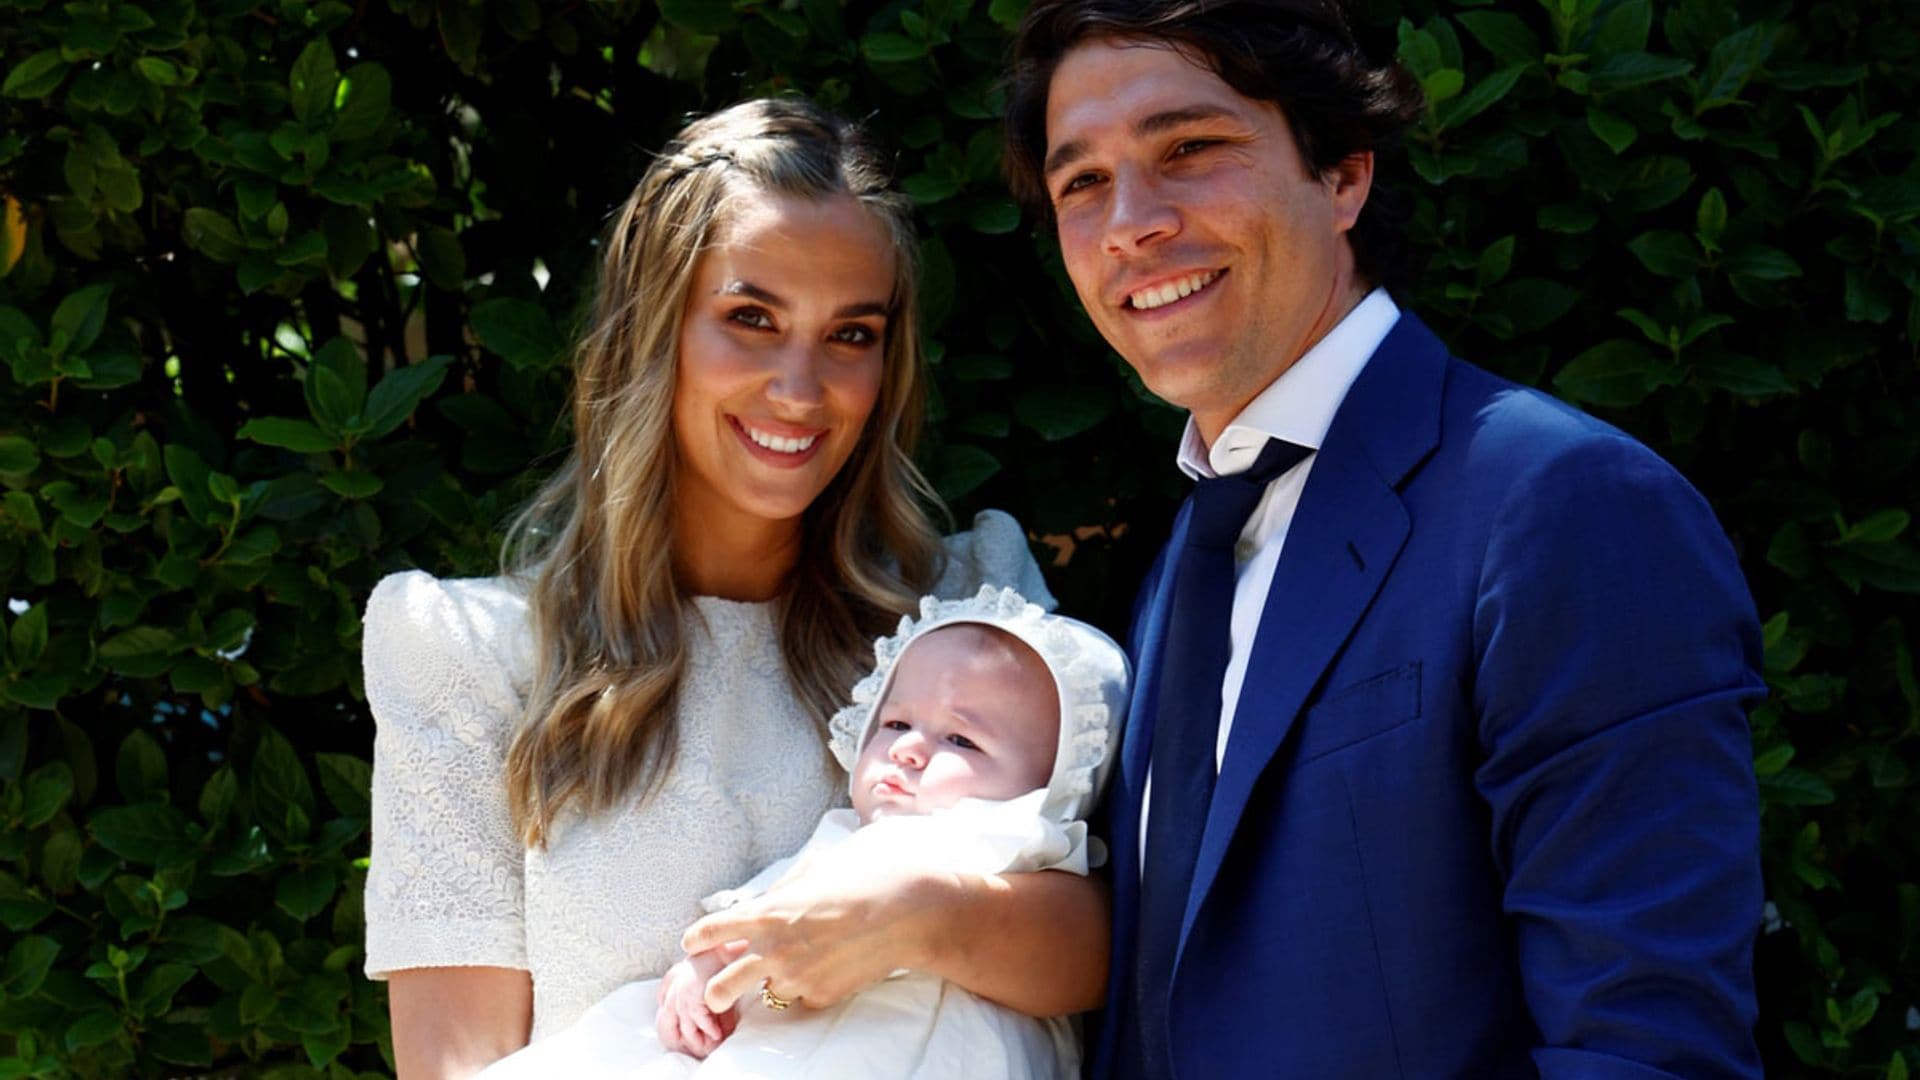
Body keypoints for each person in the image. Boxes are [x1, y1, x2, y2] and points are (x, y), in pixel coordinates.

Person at [1001, 1, 1768, 1076]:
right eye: (1081, 181)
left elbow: (1644, 1047)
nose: (1130, 222)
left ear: (1345, 173)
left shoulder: (1563, 504)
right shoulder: (1193, 554)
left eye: (1190, 149)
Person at [361, 98, 1107, 1080]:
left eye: (851, 334)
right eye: (750, 319)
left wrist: (912, 919)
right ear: (653, 329)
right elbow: (459, 1064)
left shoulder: (967, 613)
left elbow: (1104, 947)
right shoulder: (465, 656)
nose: (800, 389)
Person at [476, 586, 1130, 1079]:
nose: (908, 750)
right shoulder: (845, 835)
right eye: (896, 723)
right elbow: (776, 907)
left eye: (961, 738)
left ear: (1054, 782)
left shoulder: (1008, 839)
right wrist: (703, 963)